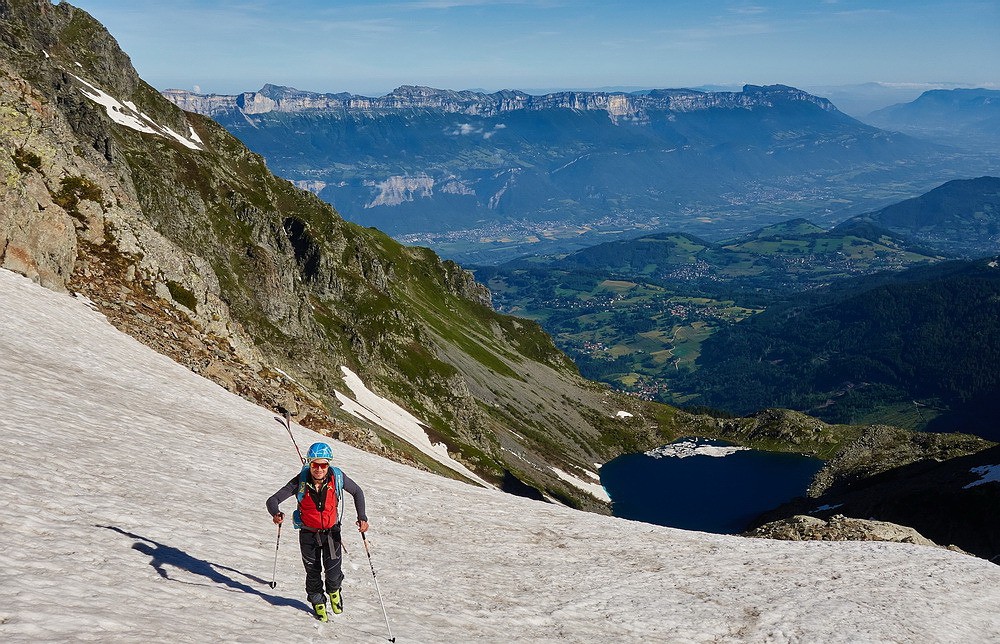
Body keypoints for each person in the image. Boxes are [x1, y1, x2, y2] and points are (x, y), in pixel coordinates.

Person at [266, 442, 369, 621]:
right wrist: (276, 513)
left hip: (331, 533)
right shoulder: (300, 480)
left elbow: (357, 492)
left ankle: (334, 591)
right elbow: (273, 499)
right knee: (312, 573)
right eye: (315, 464)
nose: (319, 469)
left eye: (323, 465)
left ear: (328, 464)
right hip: (308, 534)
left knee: (333, 573)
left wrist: (363, 517)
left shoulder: (337, 477)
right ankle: (318, 604)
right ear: (310, 464)